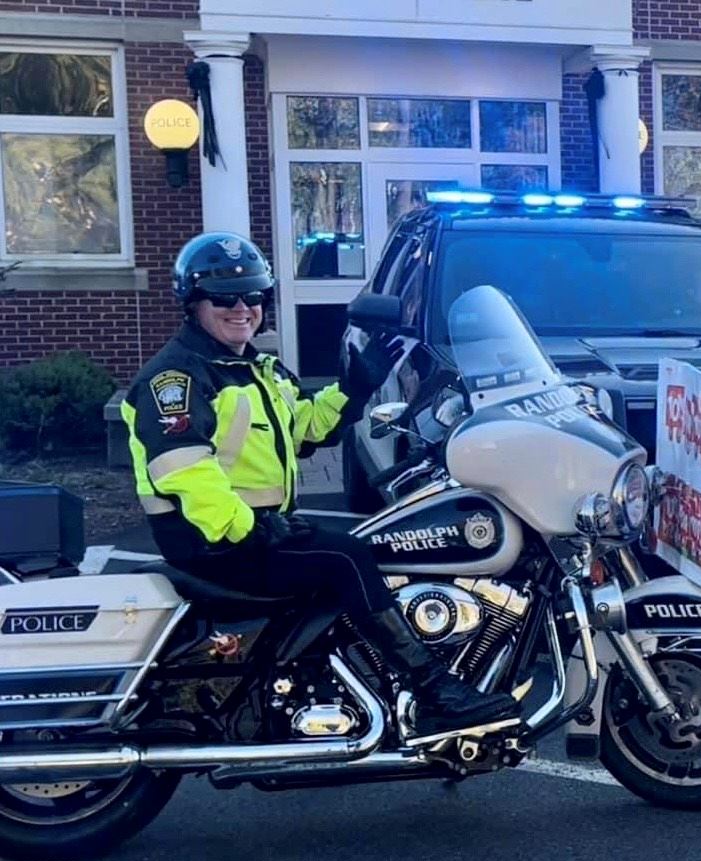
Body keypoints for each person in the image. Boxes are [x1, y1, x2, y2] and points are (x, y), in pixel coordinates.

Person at [123, 231, 519, 739]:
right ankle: (435, 690)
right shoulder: (177, 379)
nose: (241, 307)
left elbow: (308, 427)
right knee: (344, 557)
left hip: (254, 530)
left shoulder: (251, 369)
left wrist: (354, 388)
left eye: (254, 296)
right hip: (213, 544)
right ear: (193, 304)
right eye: (225, 299)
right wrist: (247, 529)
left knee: (371, 538)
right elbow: (184, 471)